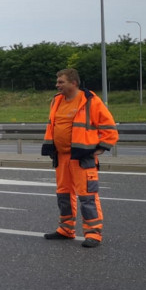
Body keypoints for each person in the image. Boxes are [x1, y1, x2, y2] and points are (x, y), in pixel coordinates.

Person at [39, 68, 118, 248]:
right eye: (57, 82)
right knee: (64, 195)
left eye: (61, 82)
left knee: (87, 196)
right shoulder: (56, 101)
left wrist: (101, 148)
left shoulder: (91, 101)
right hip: (61, 157)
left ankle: (93, 234)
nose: (57, 85)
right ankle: (66, 229)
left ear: (74, 83)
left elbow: (110, 129)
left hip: (82, 158)